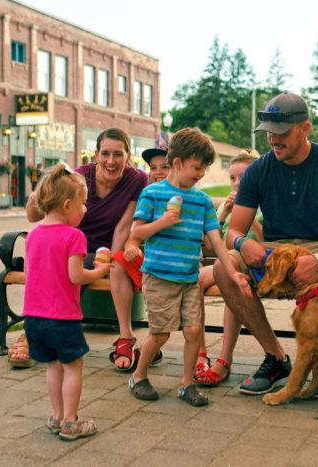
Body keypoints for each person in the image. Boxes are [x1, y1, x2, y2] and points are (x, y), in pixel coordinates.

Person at [213, 92, 318, 396]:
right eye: (268, 132)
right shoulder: (258, 170)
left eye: (281, 132)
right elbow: (234, 231)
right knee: (223, 266)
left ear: (304, 128)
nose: (273, 139)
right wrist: (243, 243)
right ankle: (277, 359)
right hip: (276, 250)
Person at [124, 128, 251, 406]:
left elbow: (216, 241)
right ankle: (139, 375)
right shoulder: (153, 194)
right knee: (160, 334)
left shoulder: (201, 200)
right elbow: (137, 233)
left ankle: (187, 384)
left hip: (189, 278)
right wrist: (163, 223)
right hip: (158, 277)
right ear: (178, 162)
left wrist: (232, 273)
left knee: (194, 331)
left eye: (205, 167)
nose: (201, 173)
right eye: (197, 167)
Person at [27, 128, 150, 372]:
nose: (111, 161)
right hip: (73, 246)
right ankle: (35, 333)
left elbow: (124, 225)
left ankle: (125, 337)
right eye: (105, 153)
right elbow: (34, 216)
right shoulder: (79, 177)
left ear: (128, 156)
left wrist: (115, 259)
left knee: (109, 265)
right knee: (68, 266)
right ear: (95, 154)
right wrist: (36, 194)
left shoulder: (137, 179)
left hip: (106, 248)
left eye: (118, 154)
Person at [23, 162, 111, 440]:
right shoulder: (74, 236)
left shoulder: (34, 235)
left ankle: (57, 416)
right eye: (83, 204)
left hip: (34, 317)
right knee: (73, 367)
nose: (86, 209)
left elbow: (31, 274)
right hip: (63, 317)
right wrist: (100, 271)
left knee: (53, 366)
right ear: (67, 204)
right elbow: (76, 276)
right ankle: (71, 422)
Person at [195, 150, 264, 386]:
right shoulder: (226, 204)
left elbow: (267, 242)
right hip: (222, 263)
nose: (236, 183)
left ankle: (224, 359)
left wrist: (248, 215)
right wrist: (224, 212)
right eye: (232, 178)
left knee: (232, 285)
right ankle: (200, 353)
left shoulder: (264, 205)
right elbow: (209, 246)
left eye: (242, 177)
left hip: (252, 267)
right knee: (193, 283)